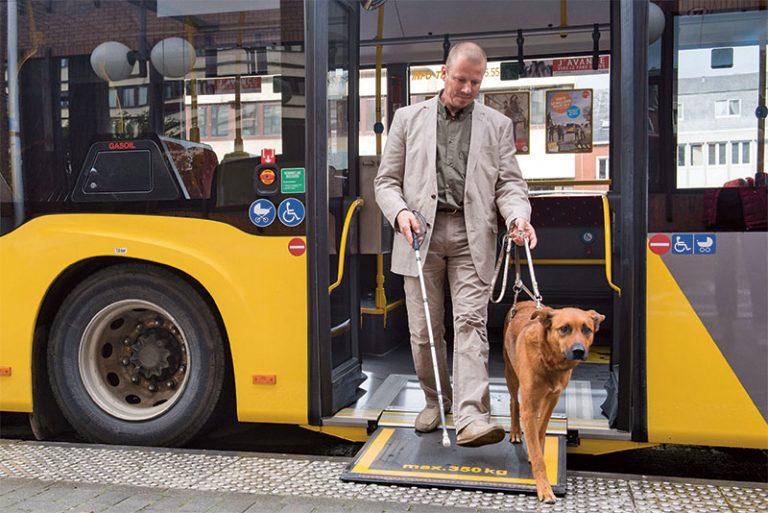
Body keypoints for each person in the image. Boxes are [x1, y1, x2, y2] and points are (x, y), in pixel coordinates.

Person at [374, 42, 537, 448]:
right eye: (461, 79)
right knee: (424, 331)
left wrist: (518, 217)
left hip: (472, 234)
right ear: (442, 73)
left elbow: (509, 184)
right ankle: (435, 401)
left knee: (470, 324)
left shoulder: (497, 125)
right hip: (418, 234)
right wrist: (399, 214)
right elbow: (385, 182)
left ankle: (471, 416)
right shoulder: (407, 119)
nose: (467, 88)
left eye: (475, 82)